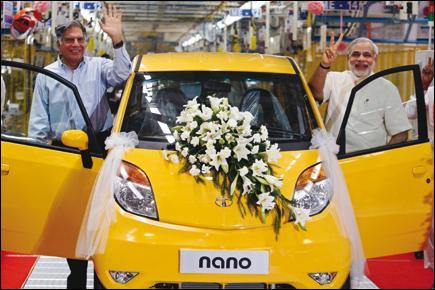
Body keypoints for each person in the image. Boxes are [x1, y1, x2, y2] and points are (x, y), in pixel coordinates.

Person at [28, 4, 131, 289]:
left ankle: (101, 275)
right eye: (70, 40)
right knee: (72, 219)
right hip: (64, 151)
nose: (76, 44)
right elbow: (38, 123)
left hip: (99, 148)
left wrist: (117, 40)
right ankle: (75, 276)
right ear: (59, 44)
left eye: (80, 40)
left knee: (101, 216)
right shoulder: (46, 75)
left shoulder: (99, 67)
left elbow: (124, 73)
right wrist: (37, 160)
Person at [308, 34, 411, 152]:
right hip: (334, 159)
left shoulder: (387, 89)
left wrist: (382, 159)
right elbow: (314, 93)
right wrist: (324, 65)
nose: (361, 59)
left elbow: (400, 133)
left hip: (368, 163)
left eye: (367, 55)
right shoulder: (335, 79)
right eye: (356, 54)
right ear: (348, 58)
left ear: (375, 59)